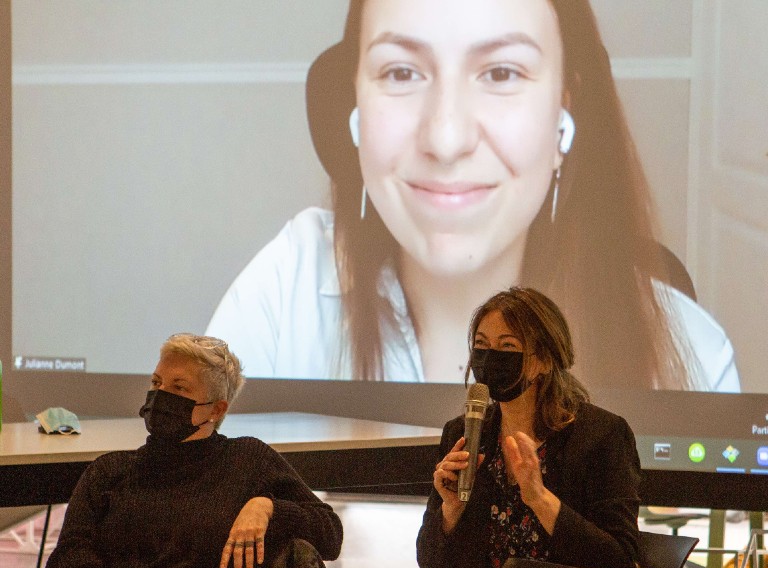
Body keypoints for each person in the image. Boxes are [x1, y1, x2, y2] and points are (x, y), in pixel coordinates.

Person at [206, 0, 738, 393]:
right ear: (355, 112)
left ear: (564, 115)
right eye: (401, 72)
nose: (446, 138)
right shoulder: (286, 289)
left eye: (502, 72)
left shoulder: (690, 356)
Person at [31, 333, 343, 568]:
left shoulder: (248, 459)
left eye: (179, 387)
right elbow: (69, 555)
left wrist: (268, 507)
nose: (161, 394)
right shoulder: (110, 470)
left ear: (216, 410)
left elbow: (329, 533)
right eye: (156, 383)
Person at [416, 287, 646, 568]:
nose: (489, 358)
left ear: (544, 359)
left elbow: (619, 564)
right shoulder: (465, 434)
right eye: (481, 345)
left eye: (507, 346)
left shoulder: (601, 436)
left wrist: (540, 500)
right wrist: (450, 511)